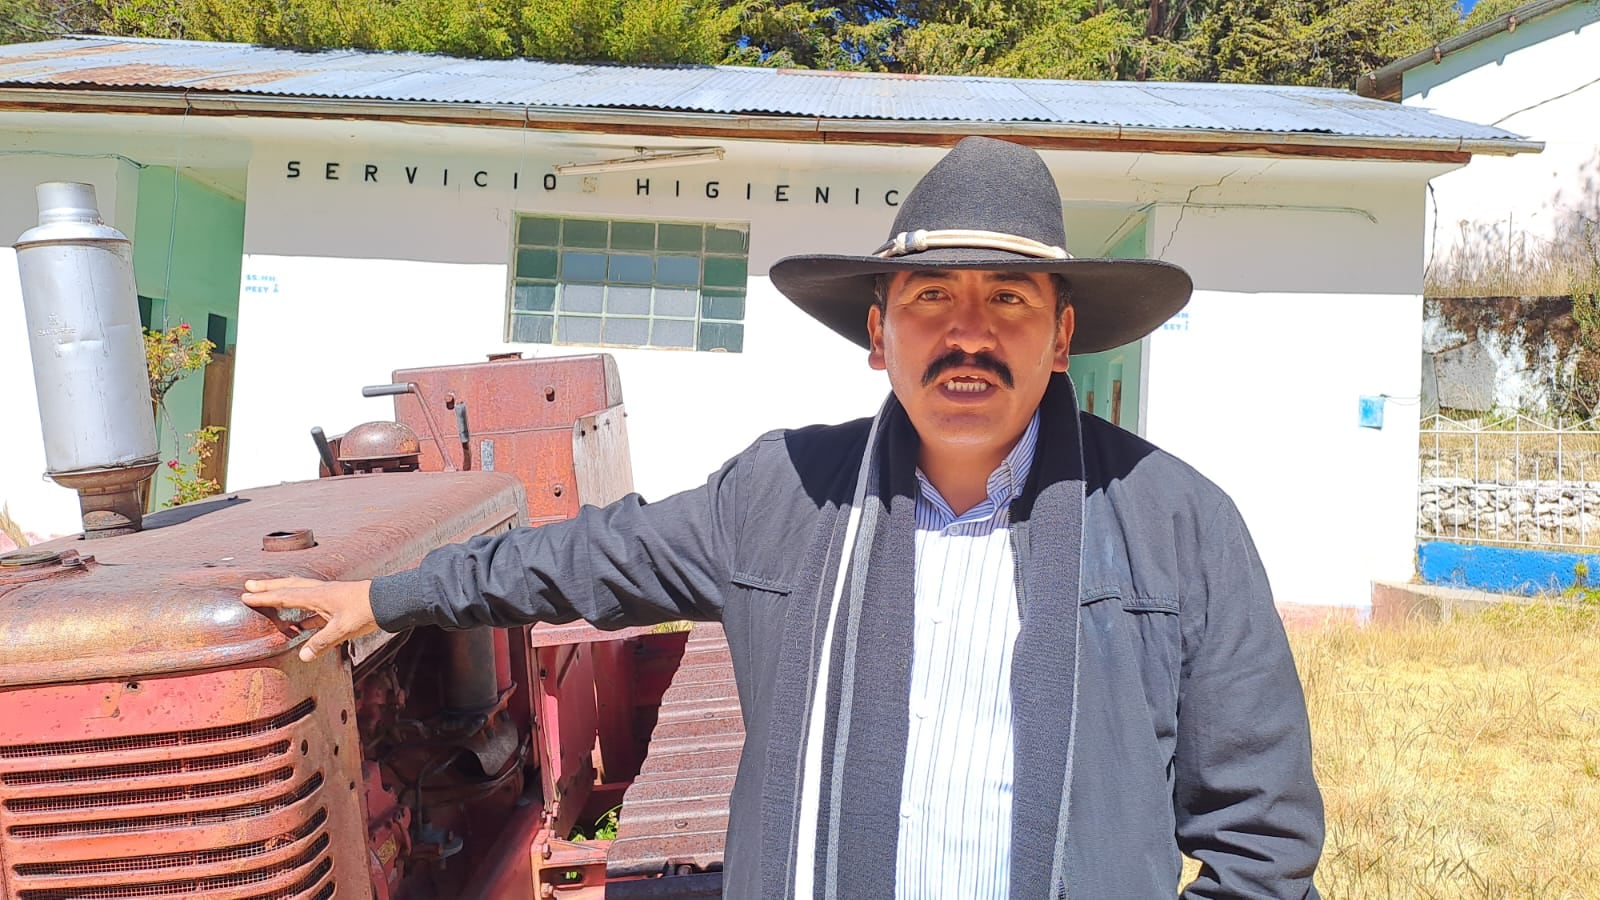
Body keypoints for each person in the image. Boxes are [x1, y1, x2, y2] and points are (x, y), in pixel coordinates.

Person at [243, 136, 1323, 899]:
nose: (967, 333)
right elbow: (586, 558)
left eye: (1008, 300)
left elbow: (1261, 841)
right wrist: (385, 595)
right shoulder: (785, 494)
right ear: (877, 336)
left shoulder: (1175, 523)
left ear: (1061, 336)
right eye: (930, 301)